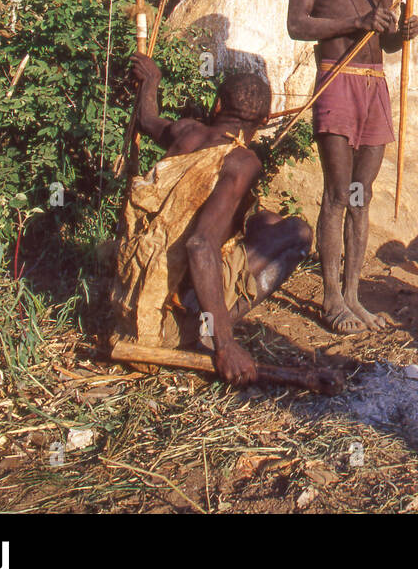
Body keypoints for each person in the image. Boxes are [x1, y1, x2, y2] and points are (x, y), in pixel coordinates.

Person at [111, 54, 311, 385]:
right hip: (162, 325)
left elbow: (147, 119)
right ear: (262, 121)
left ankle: (202, 319)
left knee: (264, 220)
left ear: (217, 106)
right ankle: (207, 331)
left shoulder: (187, 132)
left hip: (128, 300)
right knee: (297, 233)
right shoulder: (242, 162)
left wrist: (151, 81)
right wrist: (227, 346)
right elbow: (200, 244)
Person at [285, 0, 418, 333]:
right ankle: (330, 301)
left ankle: (354, 296)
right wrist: (357, 22)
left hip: (373, 86)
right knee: (338, 194)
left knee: (362, 198)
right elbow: (297, 25)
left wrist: (402, 33)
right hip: (336, 78)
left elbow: (384, 40)